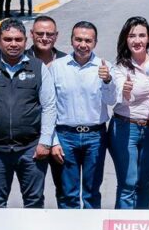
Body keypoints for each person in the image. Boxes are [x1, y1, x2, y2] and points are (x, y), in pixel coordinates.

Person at [0, 18, 57, 208]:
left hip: (31, 149)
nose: (13, 44)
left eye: (18, 39)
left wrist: (45, 142)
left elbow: (49, 106)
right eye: (8, 39)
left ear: (26, 41)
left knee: (34, 202)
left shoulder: (38, 68)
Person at [49, 22, 117, 209]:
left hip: (95, 136)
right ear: (71, 40)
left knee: (91, 192)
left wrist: (107, 80)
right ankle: (69, 227)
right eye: (78, 39)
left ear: (95, 43)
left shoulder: (105, 67)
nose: (83, 45)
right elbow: (49, 107)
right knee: (68, 193)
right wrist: (53, 140)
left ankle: (90, 226)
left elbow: (112, 100)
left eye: (88, 40)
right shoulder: (57, 67)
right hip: (65, 137)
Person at [110, 17, 149, 209]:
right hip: (125, 127)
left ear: (148, 38)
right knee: (128, 183)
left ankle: (143, 224)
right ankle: (122, 225)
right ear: (125, 39)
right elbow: (119, 95)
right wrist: (125, 91)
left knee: (144, 183)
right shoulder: (120, 67)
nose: (137, 40)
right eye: (132, 36)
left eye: (142, 35)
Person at [27, 16, 69, 203]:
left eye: (49, 34)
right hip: (33, 138)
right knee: (34, 195)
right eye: (40, 33)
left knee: (65, 191)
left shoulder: (67, 61)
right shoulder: (21, 59)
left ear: (56, 36)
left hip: (63, 138)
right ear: (31, 34)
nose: (44, 38)